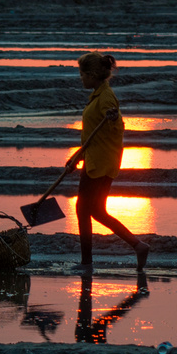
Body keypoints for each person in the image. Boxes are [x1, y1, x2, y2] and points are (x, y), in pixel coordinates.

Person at [64, 52, 150, 276]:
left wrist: (113, 118)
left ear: (92, 75)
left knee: (86, 210)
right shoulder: (97, 95)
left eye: (82, 74)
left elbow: (116, 128)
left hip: (100, 164)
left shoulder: (106, 98)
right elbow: (92, 136)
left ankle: (87, 262)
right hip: (95, 160)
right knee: (94, 211)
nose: (80, 78)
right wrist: (75, 159)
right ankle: (137, 246)